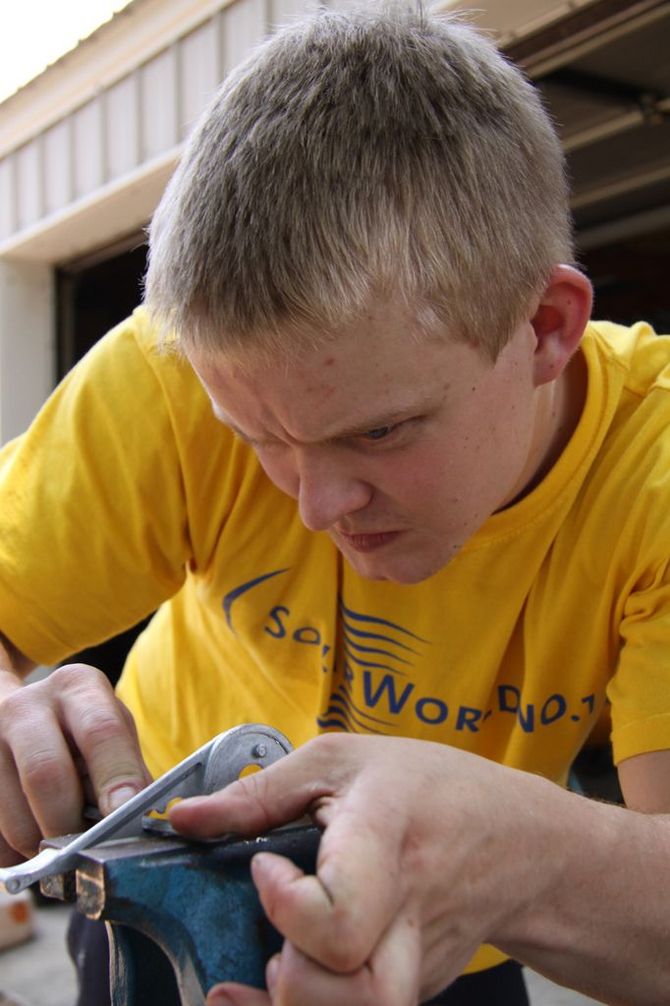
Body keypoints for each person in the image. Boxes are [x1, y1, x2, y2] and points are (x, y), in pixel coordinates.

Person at [1, 4, 670, 1004]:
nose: (315, 503)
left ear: (542, 326)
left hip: (460, 928)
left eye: (380, 430)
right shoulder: (175, 366)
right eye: (256, 437)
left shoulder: (655, 472)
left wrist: (518, 855)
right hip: (155, 903)